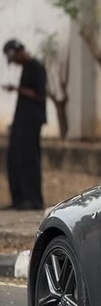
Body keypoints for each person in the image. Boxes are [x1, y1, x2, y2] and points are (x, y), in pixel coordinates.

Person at [3, 39, 47, 210]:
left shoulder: (37, 67)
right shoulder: (26, 68)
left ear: (18, 52)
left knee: (29, 159)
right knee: (14, 158)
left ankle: (33, 200)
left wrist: (17, 89)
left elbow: (40, 95)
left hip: (32, 120)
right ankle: (19, 199)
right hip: (21, 121)